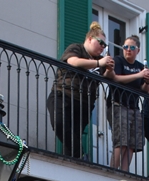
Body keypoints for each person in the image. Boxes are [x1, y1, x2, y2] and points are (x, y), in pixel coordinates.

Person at [45, 21, 112, 159]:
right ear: (89, 39)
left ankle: (72, 161)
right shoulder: (77, 48)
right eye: (101, 42)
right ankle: (80, 155)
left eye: (105, 45)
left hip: (84, 104)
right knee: (60, 124)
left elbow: (109, 77)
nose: (103, 47)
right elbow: (73, 62)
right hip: (63, 95)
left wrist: (110, 68)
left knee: (74, 134)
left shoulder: (101, 60)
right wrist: (99, 63)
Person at [106, 35, 149, 172]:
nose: (128, 50)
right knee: (121, 141)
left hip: (134, 107)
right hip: (118, 104)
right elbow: (116, 78)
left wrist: (147, 81)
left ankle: (124, 173)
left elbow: (144, 90)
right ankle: (112, 171)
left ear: (138, 50)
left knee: (132, 143)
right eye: (125, 47)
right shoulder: (118, 60)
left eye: (132, 47)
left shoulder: (140, 66)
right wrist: (139, 75)